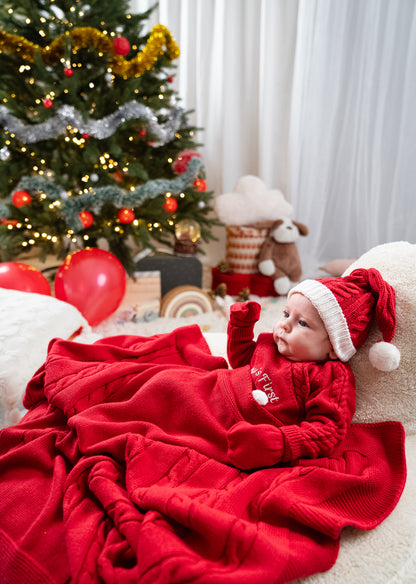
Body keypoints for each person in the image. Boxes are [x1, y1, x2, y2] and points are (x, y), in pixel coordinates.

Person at [226, 267, 400, 468]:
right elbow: (242, 361)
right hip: (221, 390)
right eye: (286, 313)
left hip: (243, 425)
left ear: (333, 348)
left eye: (301, 323)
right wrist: (241, 329)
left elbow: (329, 430)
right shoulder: (271, 345)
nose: (284, 325)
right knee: (184, 385)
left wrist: (281, 443)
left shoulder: (329, 376)